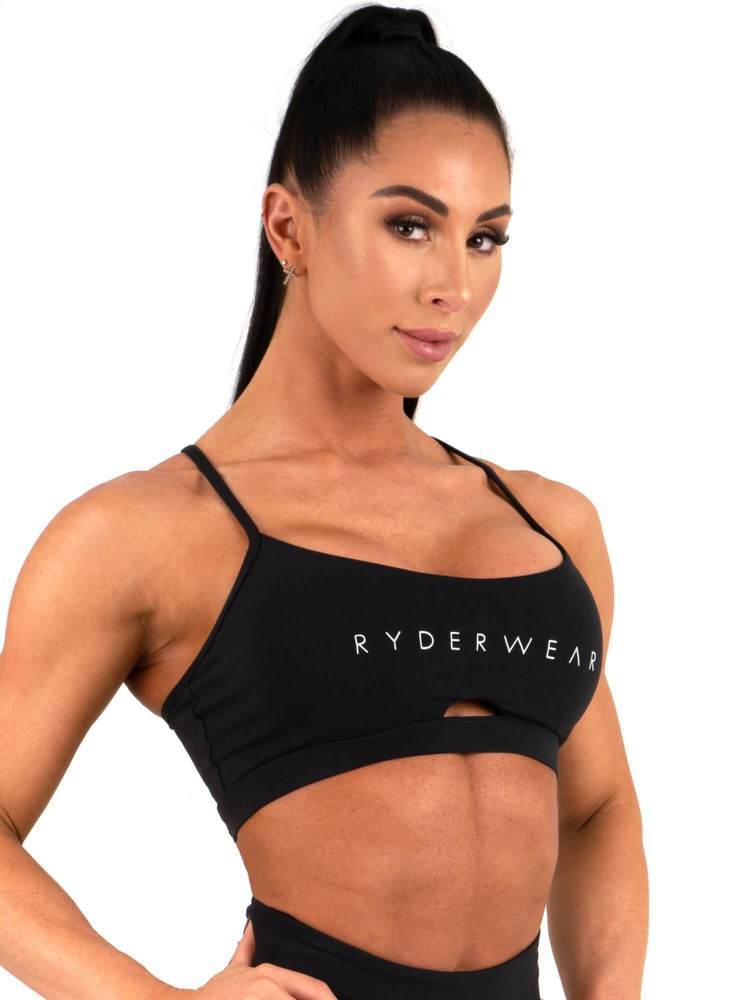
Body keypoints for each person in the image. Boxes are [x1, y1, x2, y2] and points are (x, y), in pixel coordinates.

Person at [0, 4, 648, 998]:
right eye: (410, 225)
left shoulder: (550, 526)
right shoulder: (150, 535)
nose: (454, 285)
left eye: (485, 238)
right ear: (288, 227)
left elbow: (597, 809)